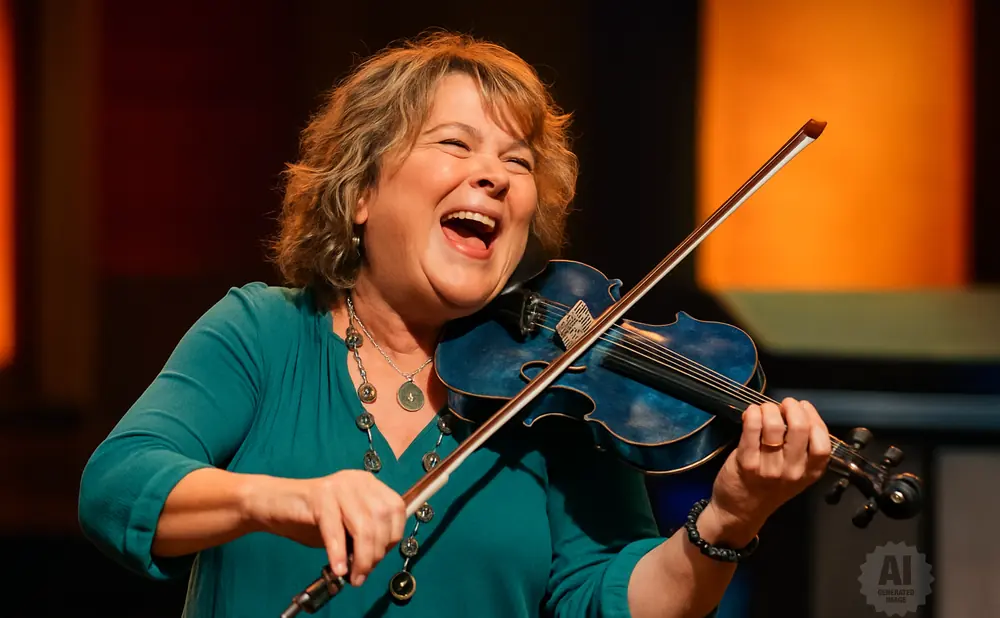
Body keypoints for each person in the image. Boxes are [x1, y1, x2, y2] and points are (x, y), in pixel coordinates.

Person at [78, 31, 832, 618]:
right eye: (455, 143)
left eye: (519, 160)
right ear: (362, 192)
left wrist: (728, 519)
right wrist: (285, 500)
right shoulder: (263, 333)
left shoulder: (561, 390)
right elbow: (118, 488)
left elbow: (614, 600)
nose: (496, 175)